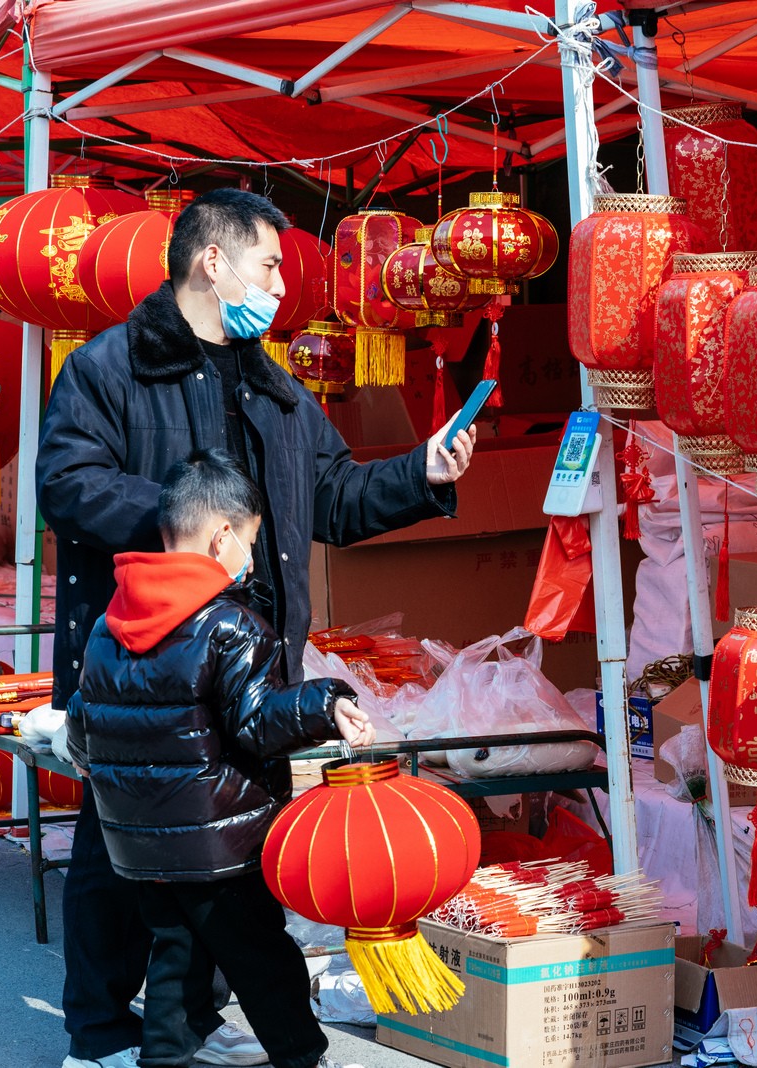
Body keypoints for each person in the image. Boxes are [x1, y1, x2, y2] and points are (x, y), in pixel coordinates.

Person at [37, 187, 475, 1068]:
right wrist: (187, 527)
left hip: (250, 660)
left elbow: (334, 497)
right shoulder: (108, 368)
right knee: (121, 846)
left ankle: (191, 1022)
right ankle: (99, 1028)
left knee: (231, 851)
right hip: (146, 656)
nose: (280, 286)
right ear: (213, 260)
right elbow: (68, 485)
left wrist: (421, 474)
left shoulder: (274, 385)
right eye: (269, 264)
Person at [67, 449, 377, 1068]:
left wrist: (88, 761)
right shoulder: (230, 625)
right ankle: (304, 1058)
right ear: (222, 537)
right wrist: (326, 703)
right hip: (217, 843)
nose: (251, 560)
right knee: (264, 960)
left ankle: (164, 1058)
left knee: (178, 957)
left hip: (138, 842)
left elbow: (83, 718)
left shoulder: (110, 622)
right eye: (250, 544)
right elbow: (258, 721)